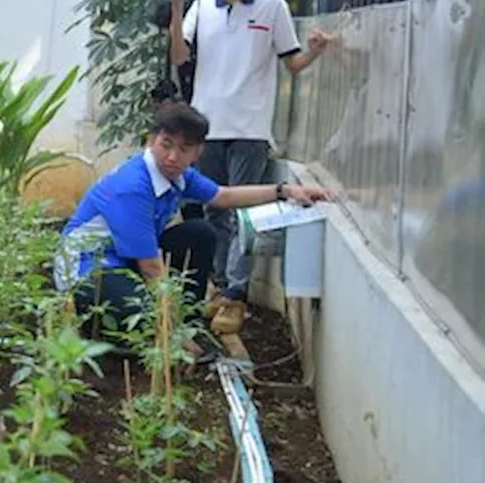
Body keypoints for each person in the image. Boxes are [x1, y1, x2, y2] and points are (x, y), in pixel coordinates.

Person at [57, 102, 332, 355]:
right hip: (89, 267)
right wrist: (175, 335)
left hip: (125, 258)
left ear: (198, 152)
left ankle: (187, 322)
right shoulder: (133, 186)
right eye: (166, 145)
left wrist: (285, 190)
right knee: (138, 317)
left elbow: (223, 196)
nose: (173, 156)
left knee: (200, 233)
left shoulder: (179, 175)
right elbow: (151, 267)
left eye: (184, 149)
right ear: (151, 140)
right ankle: (140, 338)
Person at [169, 0, 330, 334]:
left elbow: (292, 63)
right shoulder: (202, 9)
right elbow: (179, 57)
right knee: (213, 211)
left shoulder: (272, 7)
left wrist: (315, 49)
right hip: (208, 127)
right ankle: (221, 288)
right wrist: (175, 10)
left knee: (243, 215)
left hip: (251, 127)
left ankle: (236, 297)